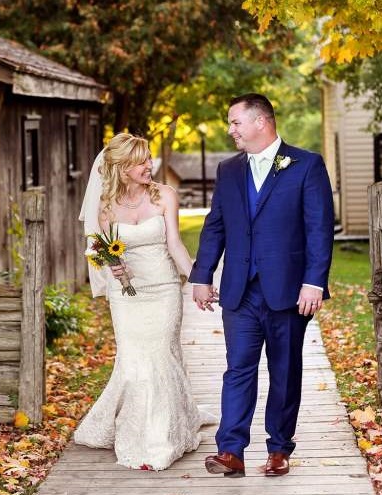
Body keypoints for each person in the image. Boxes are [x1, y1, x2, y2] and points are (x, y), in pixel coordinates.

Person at [190, 93, 334, 478]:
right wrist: (203, 275)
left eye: (235, 122)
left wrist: (313, 282)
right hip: (239, 290)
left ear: (260, 122)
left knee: (285, 370)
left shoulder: (306, 165)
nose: (230, 129)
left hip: (289, 290)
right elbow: (215, 224)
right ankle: (230, 450)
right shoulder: (228, 170)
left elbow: (319, 230)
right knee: (238, 368)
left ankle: (278, 449)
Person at [73, 132, 205, 471]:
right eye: (141, 161)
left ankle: (162, 439)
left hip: (162, 289)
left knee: (160, 356)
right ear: (121, 167)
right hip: (126, 296)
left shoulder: (165, 196)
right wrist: (110, 264)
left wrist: (198, 278)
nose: (150, 165)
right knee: (133, 365)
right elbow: (99, 249)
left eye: (148, 159)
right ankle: (135, 432)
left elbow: (175, 244)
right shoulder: (104, 205)